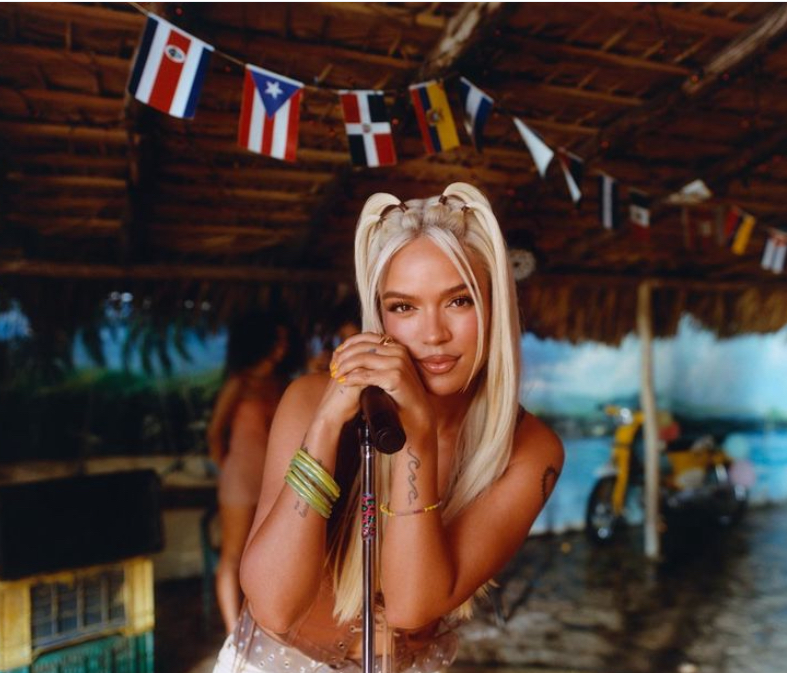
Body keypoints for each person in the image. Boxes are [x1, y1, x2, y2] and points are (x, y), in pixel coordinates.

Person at [212, 183, 564, 672]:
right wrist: (325, 425)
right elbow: (274, 605)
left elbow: (410, 607)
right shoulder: (310, 400)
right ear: (379, 317)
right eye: (404, 307)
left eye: (459, 301)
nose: (433, 334)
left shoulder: (529, 449)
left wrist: (417, 438)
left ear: (494, 306)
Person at [207, 309, 295, 634]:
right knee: (233, 554)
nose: (282, 347)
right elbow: (215, 434)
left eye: (285, 340)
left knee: (268, 555)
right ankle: (234, 633)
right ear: (260, 342)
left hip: (277, 480)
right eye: (276, 340)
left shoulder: (284, 384)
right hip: (241, 478)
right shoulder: (239, 383)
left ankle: (265, 627)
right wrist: (229, 469)